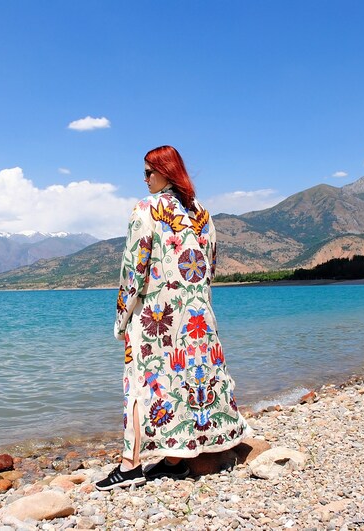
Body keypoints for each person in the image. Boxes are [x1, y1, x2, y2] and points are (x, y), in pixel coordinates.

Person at [95, 145, 249, 491]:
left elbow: (133, 270)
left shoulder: (146, 209)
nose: (145, 179)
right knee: (188, 380)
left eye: (149, 172)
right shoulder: (202, 214)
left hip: (157, 316)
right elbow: (209, 267)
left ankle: (130, 465)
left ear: (165, 171)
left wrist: (122, 319)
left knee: (141, 384)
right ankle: (176, 460)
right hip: (198, 317)